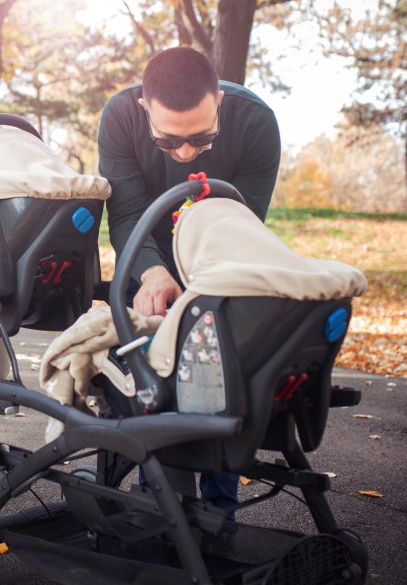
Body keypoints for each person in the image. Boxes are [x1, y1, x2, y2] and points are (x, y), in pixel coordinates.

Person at [97, 46, 281, 517]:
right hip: (146, 251)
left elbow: (242, 224)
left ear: (219, 100)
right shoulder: (120, 115)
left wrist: (200, 297)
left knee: (219, 361)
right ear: (145, 109)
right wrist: (151, 271)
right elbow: (126, 214)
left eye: (202, 138)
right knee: (152, 364)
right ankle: (158, 503)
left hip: (220, 251)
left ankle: (220, 513)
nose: (183, 152)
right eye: (167, 141)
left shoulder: (257, 123)